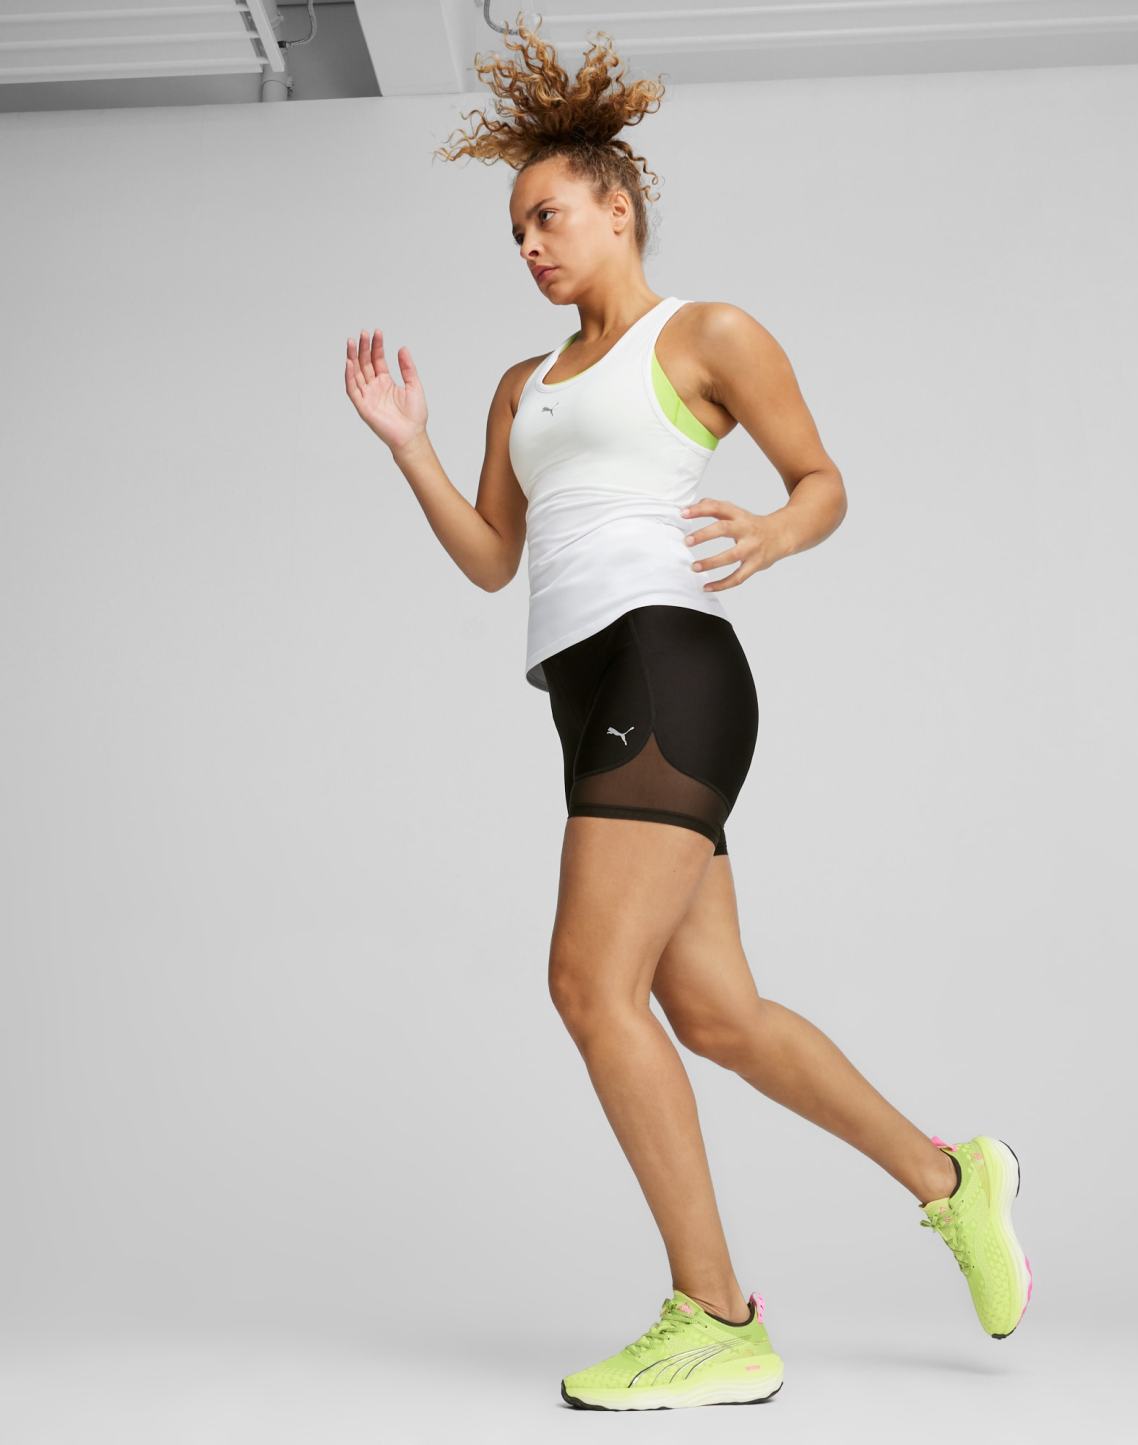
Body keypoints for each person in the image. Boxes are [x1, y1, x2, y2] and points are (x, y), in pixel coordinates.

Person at [343, 16, 1030, 1412]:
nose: (529, 246)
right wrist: (409, 447)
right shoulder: (520, 386)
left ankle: (716, 1315)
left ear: (618, 207)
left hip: (667, 666)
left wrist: (774, 531)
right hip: (586, 687)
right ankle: (950, 1178)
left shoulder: (702, 333)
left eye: (547, 216)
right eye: (514, 232)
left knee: (587, 985)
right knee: (713, 1011)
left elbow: (822, 478)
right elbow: (493, 559)